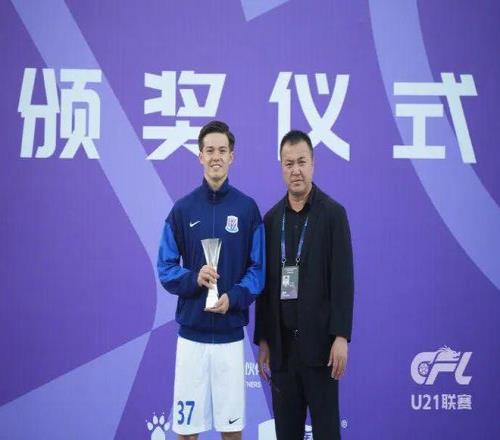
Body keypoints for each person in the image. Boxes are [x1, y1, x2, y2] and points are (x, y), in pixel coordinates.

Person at [158, 121, 265, 439]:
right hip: (191, 339)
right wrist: (194, 278)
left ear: (232, 156)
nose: (216, 156)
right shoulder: (182, 209)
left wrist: (234, 297)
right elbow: (165, 267)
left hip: (229, 339)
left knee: (231, 431)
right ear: (200, 156)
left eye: (222, 150)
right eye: (209, 150)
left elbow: (258, 270)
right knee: (186, 431)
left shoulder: (247, 209)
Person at [254, 130, 354, 440]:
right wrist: (264, 340)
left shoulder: (333, 215)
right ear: (281, 167)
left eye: (301, 162)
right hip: (283, 353)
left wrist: (341, 336)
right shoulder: (271, 220)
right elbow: (265, 286)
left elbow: (343, 279)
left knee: (326, 432)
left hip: (321, 350)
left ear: (313, 164)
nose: (295, 170)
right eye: (289, 164)